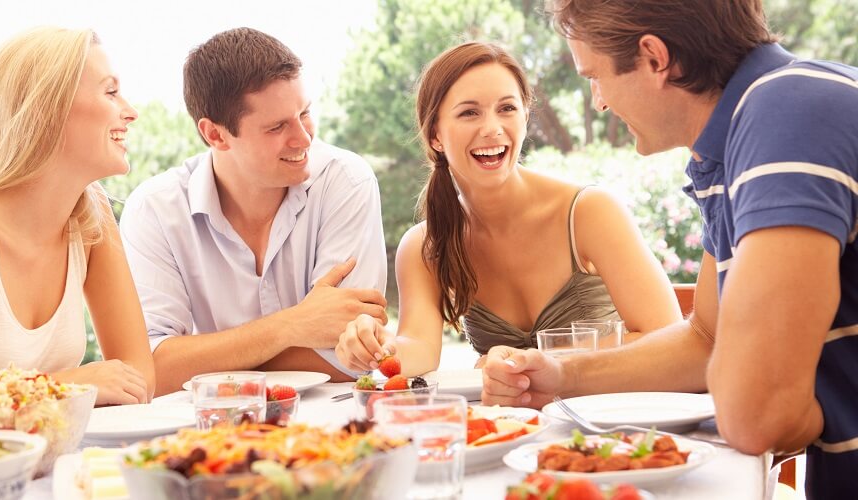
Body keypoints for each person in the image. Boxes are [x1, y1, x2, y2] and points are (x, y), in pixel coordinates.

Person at [482, 1, 858, 496]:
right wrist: (559, 375)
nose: (597, 101)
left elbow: (756, 416)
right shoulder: (741, 135)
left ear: (655, 58)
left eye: (594, 76)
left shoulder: (789, 115)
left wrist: (797, 398)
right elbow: (706, 336)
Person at [335, 41, 681, 376]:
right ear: (435, 136)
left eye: (507, 108)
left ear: (525, 117)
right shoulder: (425, 246)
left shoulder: (589, 212)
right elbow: (420, 350)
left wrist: (535, 360)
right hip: (513, 429)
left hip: (614, 420)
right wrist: (378, 347)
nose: (492, 129)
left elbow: (667, 337)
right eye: (469, 112)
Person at [119, 27, 387, 395]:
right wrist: (292, 326)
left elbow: (352, 357)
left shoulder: (345, 181)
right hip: (212, 432)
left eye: (304, 113)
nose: (304, 138)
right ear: (215, 135)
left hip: (334, 424)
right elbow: (149, 372)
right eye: (277, 127)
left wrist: (207, 358)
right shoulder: (154, 211)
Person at [0, 27, 156, 405]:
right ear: (48, 109)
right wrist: (64, 386)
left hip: (59, 464)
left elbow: (139, 378)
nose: (131, 112)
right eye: (111, 92)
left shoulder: (91, 217)